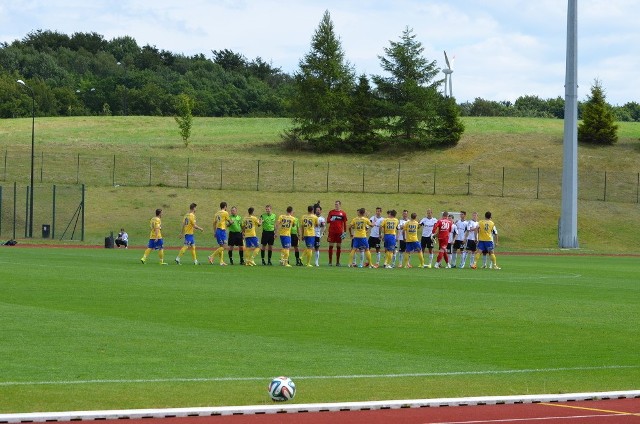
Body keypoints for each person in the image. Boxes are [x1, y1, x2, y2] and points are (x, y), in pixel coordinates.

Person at [208, 201, 231, 266]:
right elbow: (229, 221)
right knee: (225, 246)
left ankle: (221, 261)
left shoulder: (216, 213)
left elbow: (214, 223)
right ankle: (211, 256)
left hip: (218, 230)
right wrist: (232, 222)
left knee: (221, 246)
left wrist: (215, 232)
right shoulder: (225, 213)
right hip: (222, 231)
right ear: (225, 207)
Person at [326, 200, 348, 266]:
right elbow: (327, 221)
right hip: (332, 232)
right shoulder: (331, 212)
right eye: (335, 204)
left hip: (339, 232)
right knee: (331, 246)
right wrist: (331, 219)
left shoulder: (343, 213)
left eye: (337, 204)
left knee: (338, 247)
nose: (336, 205)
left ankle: (338, 262)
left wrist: (345, 232)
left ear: (340, 205)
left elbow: (344, 223)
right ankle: (330, 262)